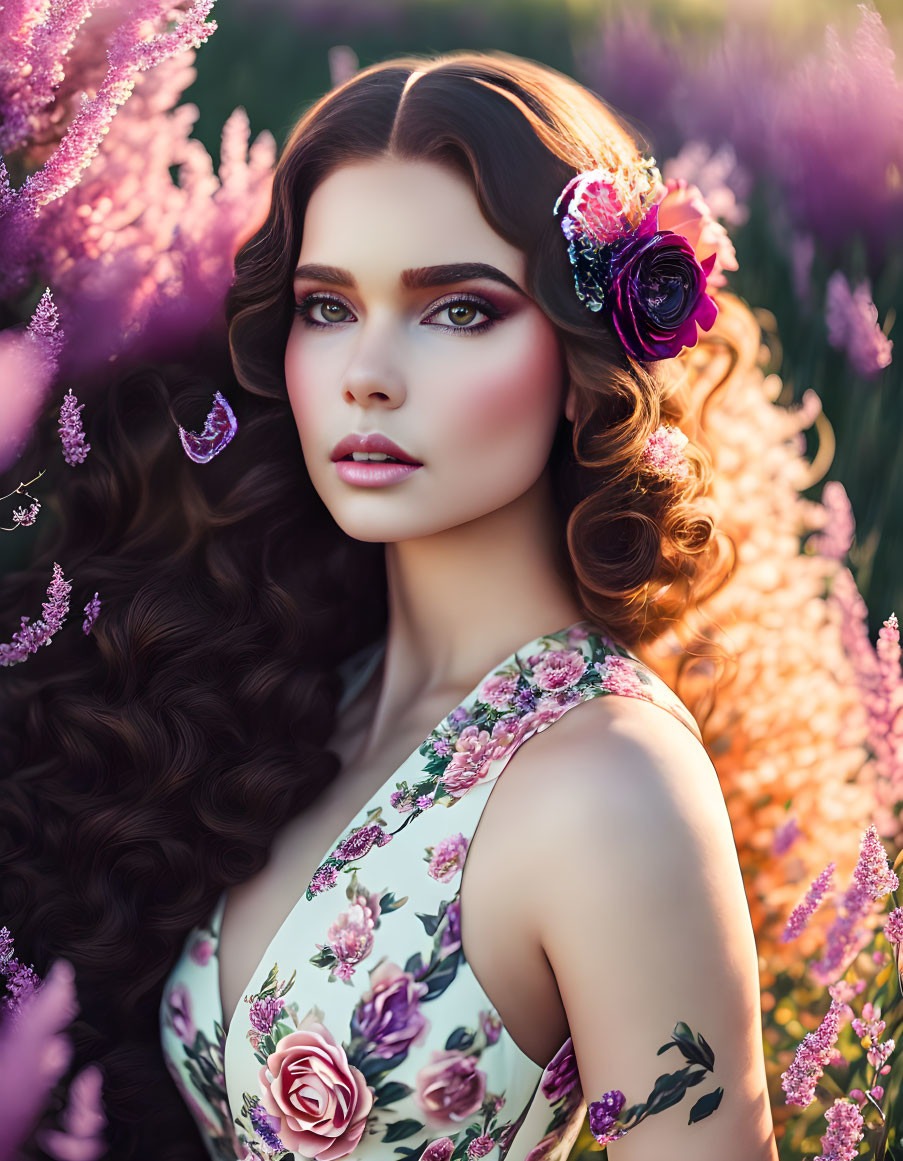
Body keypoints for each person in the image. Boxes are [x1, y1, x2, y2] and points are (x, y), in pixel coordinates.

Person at [155, 50, 778, 1161]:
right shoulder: (322, 697)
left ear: (585, 355)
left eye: (456, 310)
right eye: (327, 306)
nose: (369, 374)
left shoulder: (611, 780)